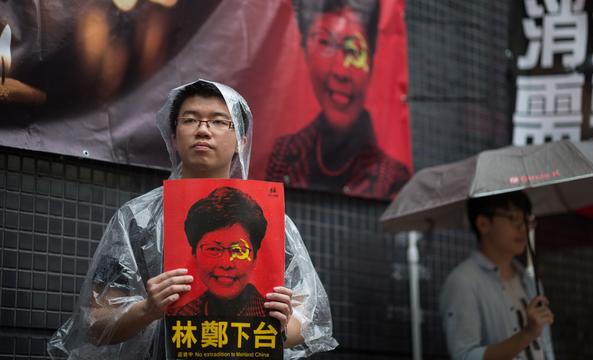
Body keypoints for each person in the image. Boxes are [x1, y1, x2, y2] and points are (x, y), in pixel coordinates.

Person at [47, 79, 338, 359]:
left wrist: (282, 324)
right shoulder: (138, 219)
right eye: (190, 120)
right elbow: (96, 323)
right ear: (173, 136)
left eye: (219, 121)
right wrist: (148, 309)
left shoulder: (272, 220)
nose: (203, 130)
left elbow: (309, 318)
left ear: (241, 140)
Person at [265, 0, 409, 199]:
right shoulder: (283, 154)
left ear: (372, 59)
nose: (340, 71)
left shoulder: (393, 178)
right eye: (326, 44)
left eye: (353, 51)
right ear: (305, 49)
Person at [439, 191, 555, 360]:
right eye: (513, 218)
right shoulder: (463, 281)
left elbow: (546, 348)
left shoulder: (530, 281)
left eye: (526, 218)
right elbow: (465, 356)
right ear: (483, 224)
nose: (522, 227)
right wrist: (527, 334)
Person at [172, 186, 269, 317]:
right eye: (213, 249)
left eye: (238, 250)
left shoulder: (271, 316)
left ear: (255, 258)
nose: (226, 263)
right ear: (194, 254)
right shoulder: (179, 315)